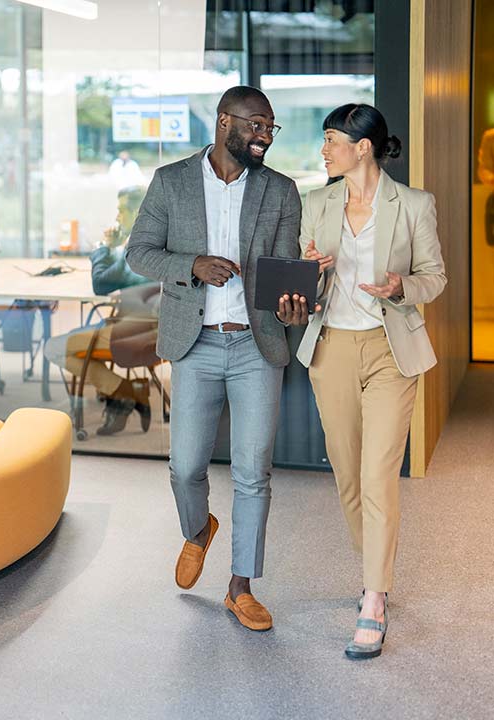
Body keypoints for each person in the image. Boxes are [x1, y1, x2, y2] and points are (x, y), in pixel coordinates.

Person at [125, 86, 305, 632]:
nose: (264, 137)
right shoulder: (172, 182)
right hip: (194, 343)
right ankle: (199, 529)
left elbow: (287, 266)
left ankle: (240, 587)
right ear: (225, 121)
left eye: (271, 128)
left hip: (257, 345)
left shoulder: (281, 190)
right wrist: (192, 264)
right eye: (256, 125)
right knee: (184, 468)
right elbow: (137, 253)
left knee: (254, 473)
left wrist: (293, 305)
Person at [297, 103, 446, 659]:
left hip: (390, 351)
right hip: (330, 347)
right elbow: (297, 289)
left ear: (362, 147)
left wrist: (400, 286)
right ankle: (374, 569)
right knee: (348, 475)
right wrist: (311, 273)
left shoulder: (412, 205)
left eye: (331, 140)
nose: (324, 150)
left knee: (379, 473)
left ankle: (374, 599)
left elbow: (436, 277)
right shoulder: (317, 201)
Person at [44, 186, 155, 435]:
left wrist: (103, 247)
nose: (117, 218)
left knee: (53, 347)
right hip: (145, 326)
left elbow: (101, 284)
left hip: (133, 331)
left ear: (139, 212)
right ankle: (127, 392)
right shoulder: (154, 240)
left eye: (122, 211)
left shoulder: (140, 248)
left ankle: (126, 393)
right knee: (73, 344)